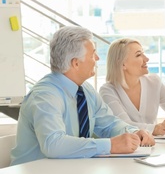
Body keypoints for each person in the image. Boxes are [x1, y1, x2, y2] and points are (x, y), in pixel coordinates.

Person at [10, 26, 155, 166]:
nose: (97, 58)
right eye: (92, 54)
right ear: (76, 63)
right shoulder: (45, 96)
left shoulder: (86, 90)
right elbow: (53, 144)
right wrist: (110, 145)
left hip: (68, 172)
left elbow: (109, 124)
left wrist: (134, 133)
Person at [99, 38, 165, 136]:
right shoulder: (108, 91)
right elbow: (124, 126)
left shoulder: (154, 82)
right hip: (127, 149)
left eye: (143, 53)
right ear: (122, 64)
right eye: (139, 55)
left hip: (155, 146)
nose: (147, 59)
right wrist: (155, 129)